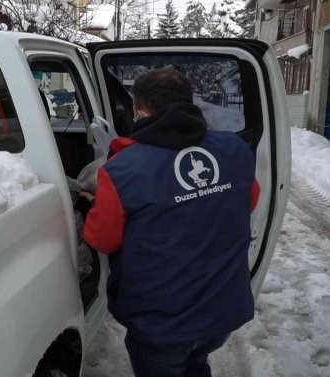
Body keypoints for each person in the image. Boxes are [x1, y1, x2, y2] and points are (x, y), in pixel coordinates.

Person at [82, 69, 260, 377]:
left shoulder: (121, 169)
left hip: (162, 325)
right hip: (222, 311)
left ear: (139, 113)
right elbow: (249, 201)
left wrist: (95, 205)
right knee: (196, 364)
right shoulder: (235, 149)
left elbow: (102, 239)